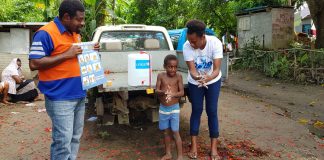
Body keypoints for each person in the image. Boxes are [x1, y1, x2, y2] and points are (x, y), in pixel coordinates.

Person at [28, 0, 99, 159]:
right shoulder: (45, 33)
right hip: (60, 98)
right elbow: (34, 63)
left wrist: (90, 50)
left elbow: (75, 59)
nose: (82, 23)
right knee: (63, 142)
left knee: (74, 138)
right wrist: (67, 54)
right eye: (79, 19)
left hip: (79, 95)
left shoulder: (75, 33)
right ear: (66, 17)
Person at [183, 20, 223, 160]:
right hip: (195, 82)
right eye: (190, 41)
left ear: (202, 36)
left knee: (212, 111)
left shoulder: (215, 43)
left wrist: (208, 78)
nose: (192, 44)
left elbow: (217, 69)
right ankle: (193, 145)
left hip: (213, 80)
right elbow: (192, 70)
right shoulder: (187, 46)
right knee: (197, 110)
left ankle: (213, 148)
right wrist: (199, 78)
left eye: (194, 41)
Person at [156, 54, 184, 160]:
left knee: (175, 132)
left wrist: (173, 94)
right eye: (170, 67)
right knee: (166, 132)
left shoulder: (178, 76)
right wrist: (163, 92)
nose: (173, 69)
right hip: (163, 109)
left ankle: (180, 156)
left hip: (174, 109)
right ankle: (168, 153)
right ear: (165, 66)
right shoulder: (161, 76)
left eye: (175, 67)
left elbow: (181, 92)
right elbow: (156, 90)